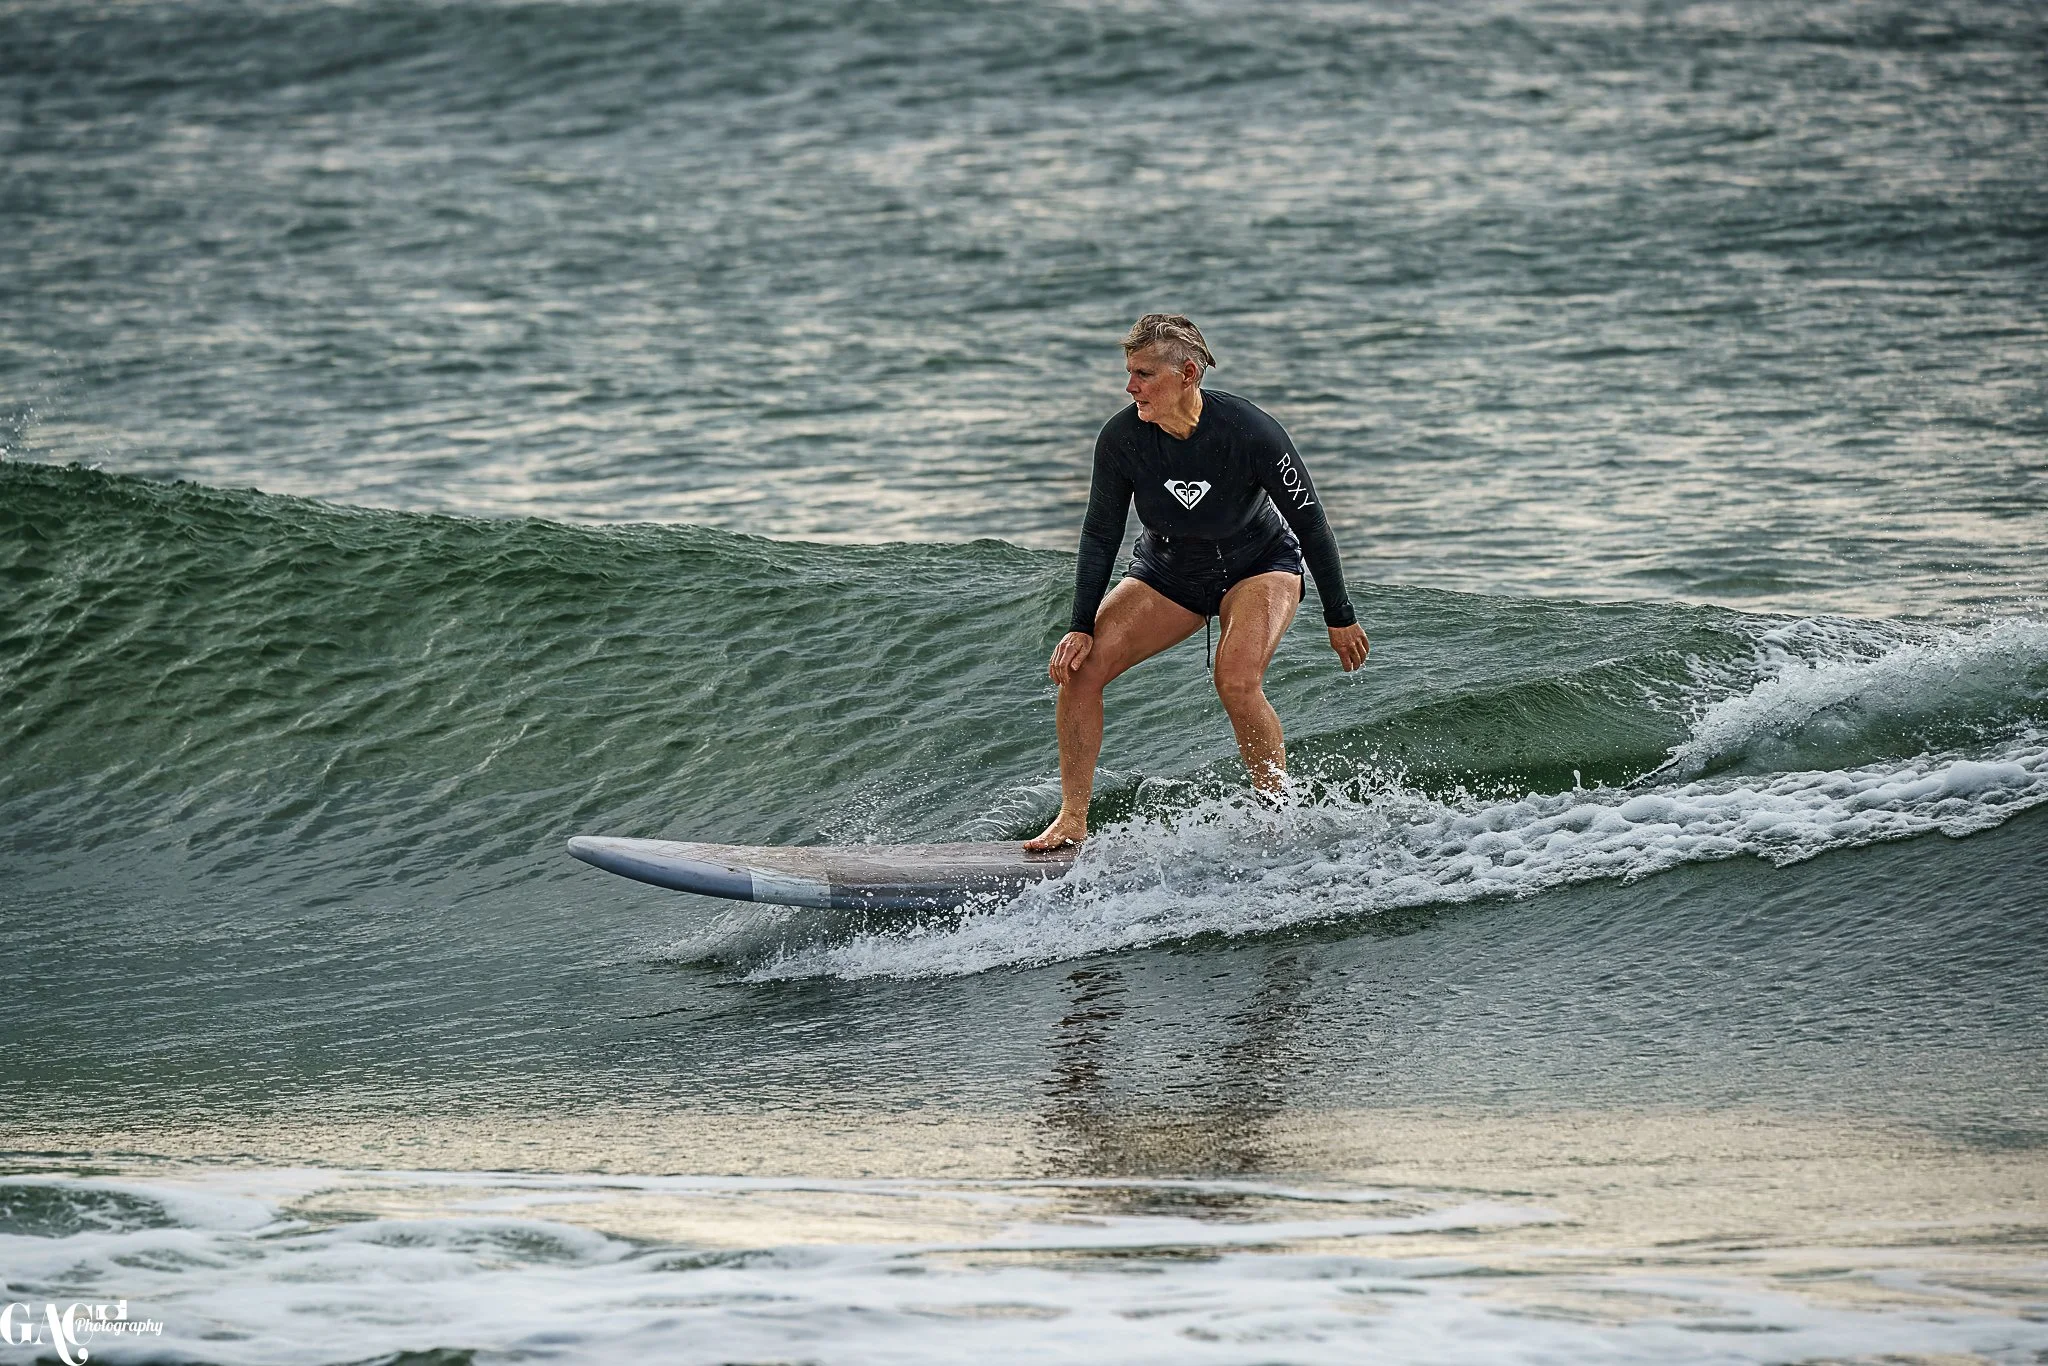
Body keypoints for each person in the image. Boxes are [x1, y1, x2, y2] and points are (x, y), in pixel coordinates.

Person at [1025, 314, 1369, 851]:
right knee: (1080, 671)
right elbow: (1099, 534)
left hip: (1259, 565)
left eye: (1143, 374)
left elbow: (1312, 524)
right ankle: (1072, 818)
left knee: (1236, 679)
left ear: (1187, 373)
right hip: (1168, 573)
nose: (1129, 386)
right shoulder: (1122, 439)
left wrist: (1339, 615)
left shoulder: (1250, 431)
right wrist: (1079, 625)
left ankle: (1277, 818)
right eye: (1128, 373)